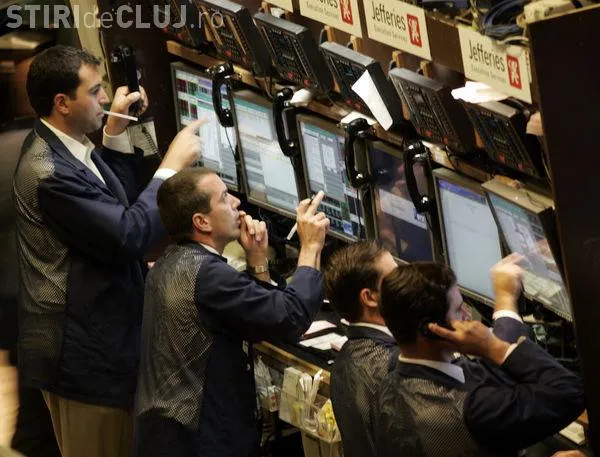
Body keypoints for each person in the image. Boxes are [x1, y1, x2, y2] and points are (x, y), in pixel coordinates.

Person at [13, 45, 204, 457]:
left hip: (106, 345)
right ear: (62, 103)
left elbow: (110, 204)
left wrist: (114, 133)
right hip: (85, 364)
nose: (105, 98)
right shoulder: (48, 173)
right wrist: (170, 168)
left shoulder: (68, 147)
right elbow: (127, 234)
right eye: (95, 91)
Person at [135, 168, 330, 457]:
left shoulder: (171, 260)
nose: (237, 202)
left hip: (171, 434)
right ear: (201, 222)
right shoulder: (209, 276)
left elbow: (260, 320)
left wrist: (257, 259)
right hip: (200, 442)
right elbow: (291, 317)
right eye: (225, 197)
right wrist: (311, 247)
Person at [375, 255, 585, 457]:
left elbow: (487, 373)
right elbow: (570, 392)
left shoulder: (392, 373)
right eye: (459, 309)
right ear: (431, 330)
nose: (468, 315)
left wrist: (505, 300)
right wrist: (495, 348)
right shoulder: (476, 410)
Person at [323, 241, 398, 457]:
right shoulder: (393, 368)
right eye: (395, 278)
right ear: (370, 297)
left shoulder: (346, 355)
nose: (405, 281)